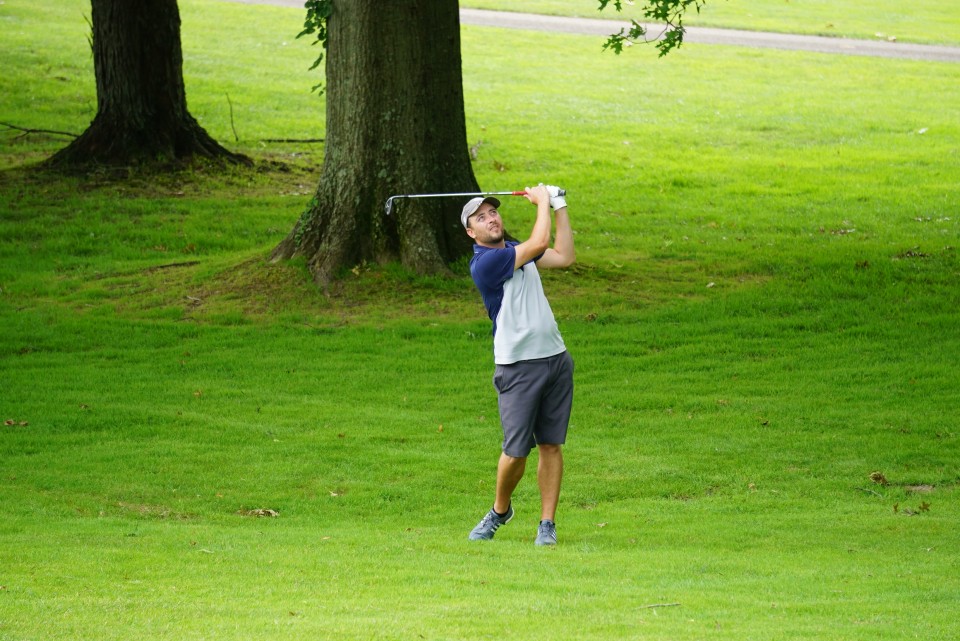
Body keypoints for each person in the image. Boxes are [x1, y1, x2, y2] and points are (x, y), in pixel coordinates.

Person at [462, 184, 575, 546]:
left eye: (493, 212)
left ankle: (547, 523)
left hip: (555, 358)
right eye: (481, 218)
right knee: (515, 452)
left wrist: (558, 204)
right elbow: (539, 243)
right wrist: (540, 201)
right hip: (517, 367)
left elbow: (564, 256)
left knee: (551, 445)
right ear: (471, 233)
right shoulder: (486, 263)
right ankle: (500, 510)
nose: (491, 219)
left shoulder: (514, 250)